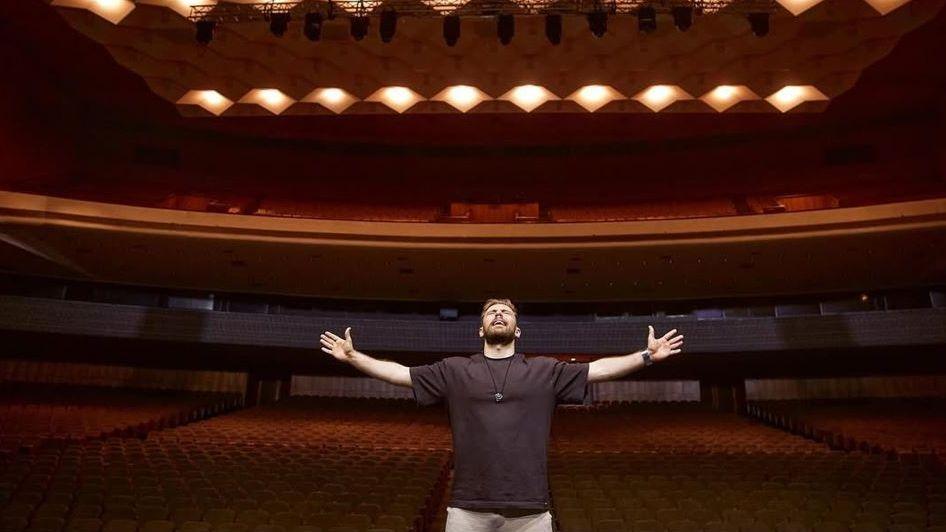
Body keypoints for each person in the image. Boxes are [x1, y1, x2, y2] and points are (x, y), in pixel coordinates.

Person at [320, 298, 684, 532]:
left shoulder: (545, 370)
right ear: (481, 328)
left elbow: (597, 370)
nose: (498, 313)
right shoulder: (454, 370)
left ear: (517, 329)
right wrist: (354, 358)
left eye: (506, 311)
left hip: (531, 512)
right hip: (467, 509)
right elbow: (401, 374)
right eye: (491, 311)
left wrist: (647, 356)